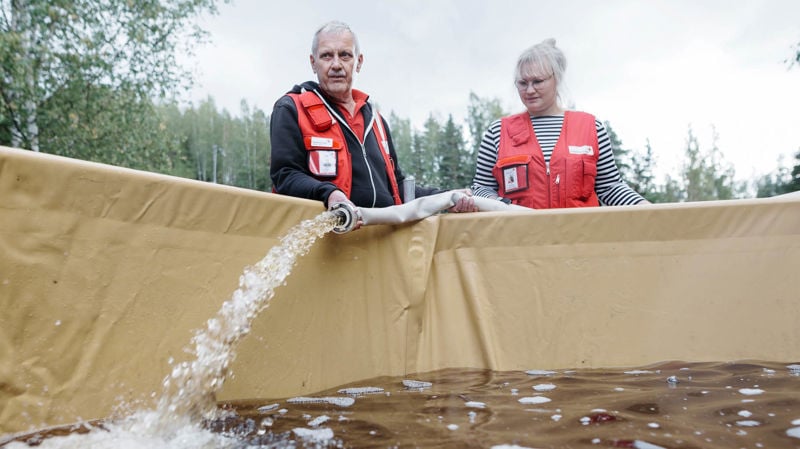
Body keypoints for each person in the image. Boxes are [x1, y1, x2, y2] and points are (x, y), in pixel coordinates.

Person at [270, 21, 475, 217]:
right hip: (329, 239)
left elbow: (397, 186)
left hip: (383, 238)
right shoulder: (291, 109)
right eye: (326, 56)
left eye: (345, 55)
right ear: (313, 63)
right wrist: (330, 194)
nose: (336, 65)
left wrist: (447, 197)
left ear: (358, 62)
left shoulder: (376, 120)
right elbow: (285, 176)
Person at [471, 39, 649, 208]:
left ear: (557, 78)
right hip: (519, 238)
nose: (530, 90)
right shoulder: (497, 132)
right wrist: (498, 204)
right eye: (523, 83)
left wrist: (646, 208)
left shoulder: (592, 128)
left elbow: (610, 188)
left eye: (538, 81)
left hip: (581, 237)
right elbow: (481, 188)